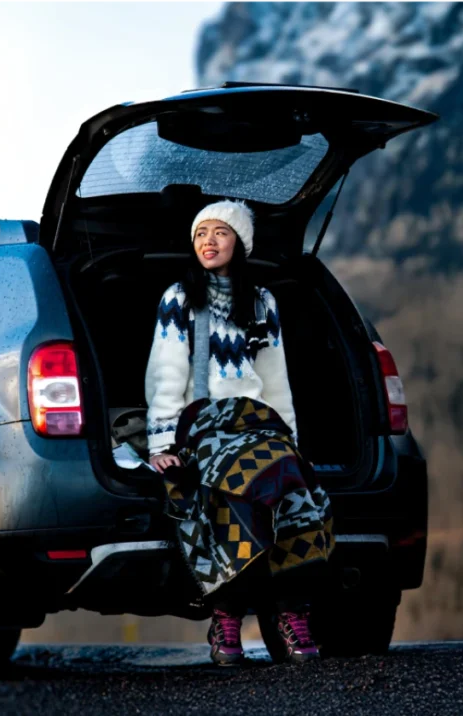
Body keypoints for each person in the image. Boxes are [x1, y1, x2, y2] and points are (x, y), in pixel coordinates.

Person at [144, 199, 333, 666]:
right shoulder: (179, 298)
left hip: (256, 419)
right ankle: (226, 614)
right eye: (201, 233)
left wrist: (289, 439)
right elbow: (165, 373)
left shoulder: (262, 301)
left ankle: (292, 612)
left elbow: (275, 375)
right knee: (238, 491)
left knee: (299, 493)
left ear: (240, 242)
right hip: (203, 421)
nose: (209, 241)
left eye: (220, 232)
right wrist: (162, 444)